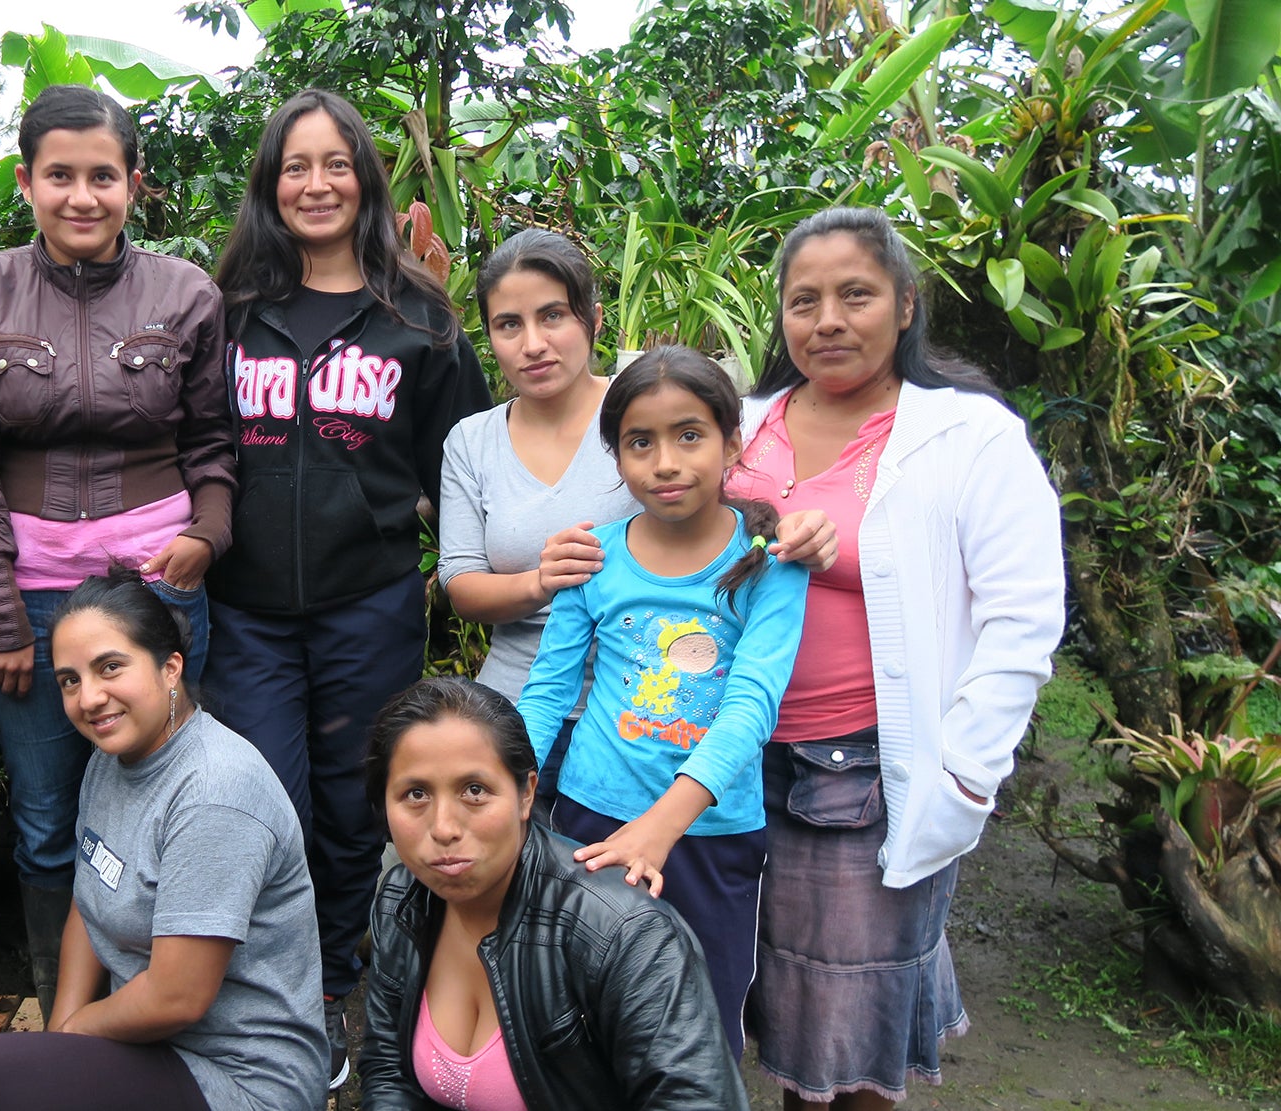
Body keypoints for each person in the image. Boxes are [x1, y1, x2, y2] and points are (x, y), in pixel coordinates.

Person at [736, 206, 1064, 1107]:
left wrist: (966, 774)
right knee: (760, 997)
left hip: (862, 771)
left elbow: (1023, 621)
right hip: (723, 760)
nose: (828, 320)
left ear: (906, 304)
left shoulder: (968, 438)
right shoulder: (741, 423)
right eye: (804, 301)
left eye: (856, 295)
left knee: (852, 1039)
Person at [204, 88, 492, 1087]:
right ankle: (267, 986)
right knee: (260, 795)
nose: (315, 183)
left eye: (335, 163)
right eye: (295, 165)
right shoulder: (230, 311)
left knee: (350, 800)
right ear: (270, 185)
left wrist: (451, 569)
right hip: (244, 607)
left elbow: (461, 462)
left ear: (364, 178)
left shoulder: (418, 317)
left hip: (366, 599)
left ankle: (332, 988)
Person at [0, 85, 235, 1024]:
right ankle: (61, 1005)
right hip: (29, 599)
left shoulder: (186, 292)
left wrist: (206, 536)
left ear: (133, 184)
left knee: (167, 792)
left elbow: (215, 443)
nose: (81, 195)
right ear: (26, 182)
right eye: (59, 175)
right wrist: (0, 607)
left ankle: (165, 996)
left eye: (102, 175)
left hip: (159, 594)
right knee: (45, 815)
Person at [439, 229, 834, 817]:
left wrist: (803, 533)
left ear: (593, 320)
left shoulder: (651, 415)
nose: (534, 344)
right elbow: (459, 580)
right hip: (520, 709)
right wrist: (540, 583)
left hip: (655, 722)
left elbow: (739, 507)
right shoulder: (473, 442)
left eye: (554, 316)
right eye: (509, 325)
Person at [515, 345, 811, 1060]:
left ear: (731, 442)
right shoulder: (596, 554)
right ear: (616, 457)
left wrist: (662, 825)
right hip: (589, 818)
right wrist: (511, 788)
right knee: (585, 1017)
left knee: (697, 1029)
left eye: (689, 434)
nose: (666, 461)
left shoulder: (768, 562)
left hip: (710, 835)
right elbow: (549, 689)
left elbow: (751, 705)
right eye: (640, 442)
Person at [0, 568, 323, 1111]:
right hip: (148, 1047)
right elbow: (89, 904)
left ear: (170, 668)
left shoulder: (215, 791)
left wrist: (71, 1039)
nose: (89, 697)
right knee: (3, 1077)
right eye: (71, 680)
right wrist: (57, 1042)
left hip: (240, 1076)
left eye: (110, 667)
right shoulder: (110, 762)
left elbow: (176, 997)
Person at [359, 676, 751, 1110]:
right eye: (415, 794)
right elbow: (388, 1069)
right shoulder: (401, 900)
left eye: (474, 791)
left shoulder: (626, 935)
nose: (444, 828)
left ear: (526, 793)